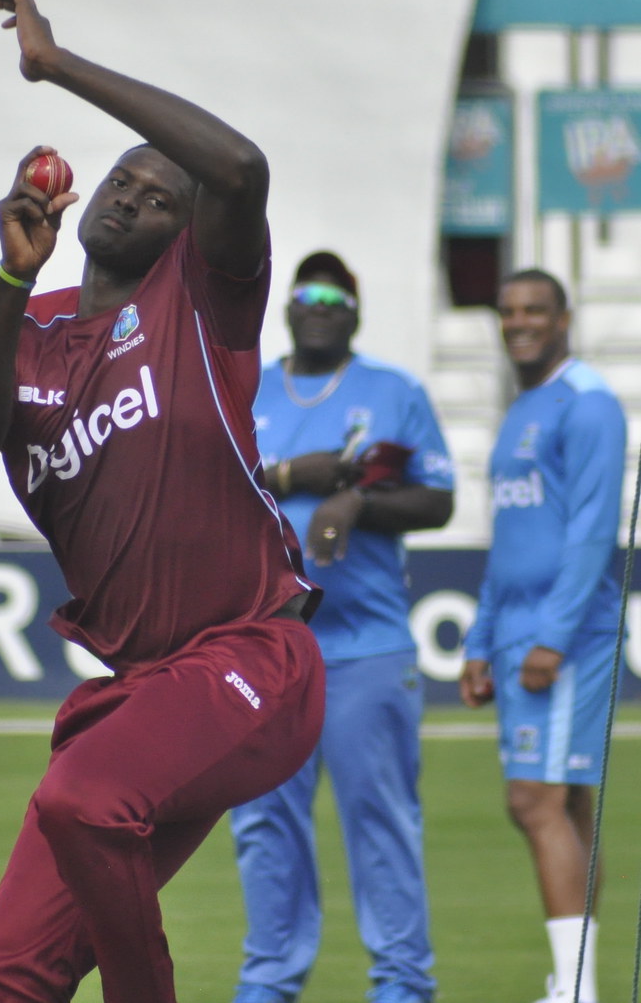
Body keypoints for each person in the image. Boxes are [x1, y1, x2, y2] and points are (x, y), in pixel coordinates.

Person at [0, 0, 327, 1003]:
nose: (127, 198)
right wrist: (7, 282)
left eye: (159, 197)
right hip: (147, 691)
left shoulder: (201, 300)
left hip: (251, 656)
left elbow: (237, 169)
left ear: (186, 235)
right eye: (119, 182)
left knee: (79, 799)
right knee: (0, 976)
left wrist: (57, 66)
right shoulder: (29, 332)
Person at [229, 251, 454, 1003]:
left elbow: (436, 502)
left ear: (354, 311)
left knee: (380, 820)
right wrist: (296, 476)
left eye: (335, 295)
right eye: (306, 293)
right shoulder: (246, 388)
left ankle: (400, 986)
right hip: (265, 646)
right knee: (263, 823)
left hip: (366, 644)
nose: (319, 304)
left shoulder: (394, 391)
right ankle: (267, 982)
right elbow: (205, 482)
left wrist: (358, 501)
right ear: (287, 307)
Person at [460, 268, 627, 1003]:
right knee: (566, 803)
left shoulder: (588, 403)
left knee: (533, 799)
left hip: (565, 635)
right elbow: (510, 539)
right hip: (515, 629)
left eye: (534, 310)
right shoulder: (524, 405)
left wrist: (552, 637)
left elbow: (592, 532)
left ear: (563, 317)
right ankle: (573, 980)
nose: (518, 322)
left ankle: (577, 990)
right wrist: (478, 639)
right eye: (507, 311)